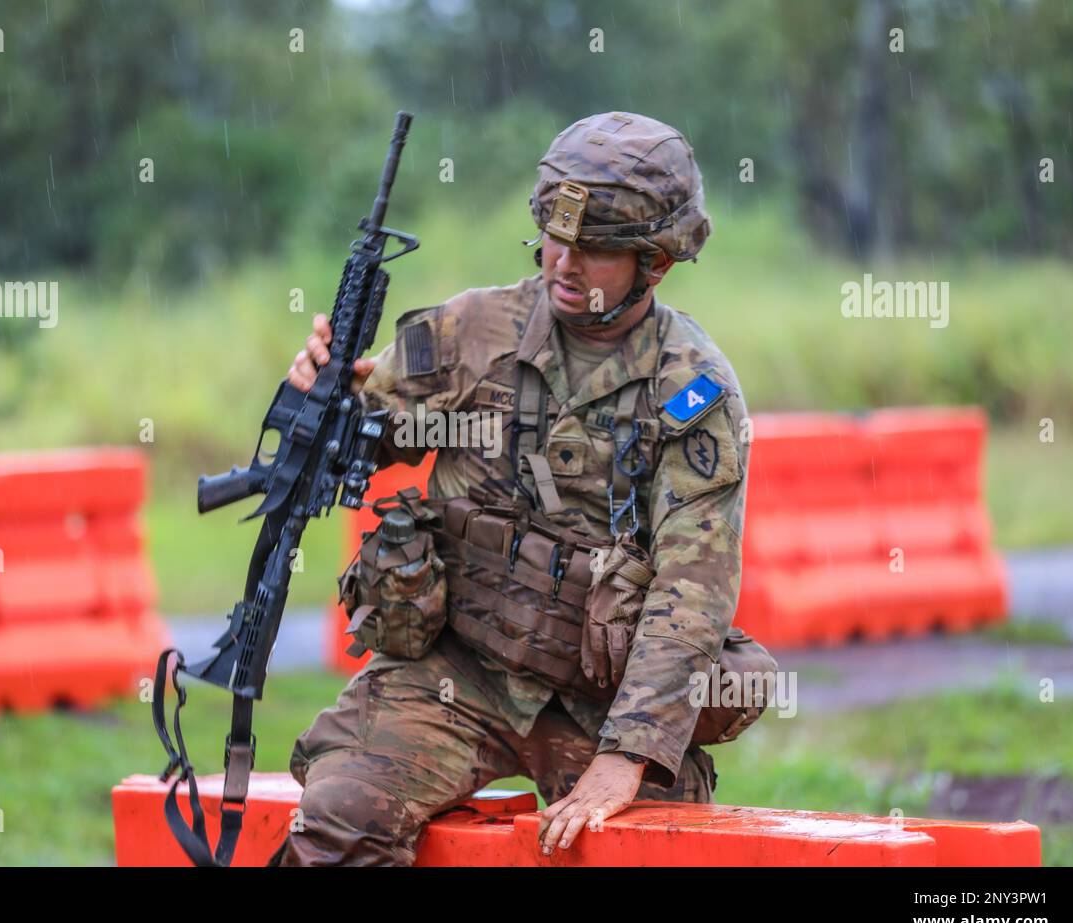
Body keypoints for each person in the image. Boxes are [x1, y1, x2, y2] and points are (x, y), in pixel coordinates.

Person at [272, 111, 767, 866]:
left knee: (637, 851)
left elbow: (691, 594)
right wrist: (321, 399)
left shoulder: (692, 392)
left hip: (600, 700)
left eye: (592, 248)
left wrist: (627, 756)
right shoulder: (469, 333)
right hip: (457, 671)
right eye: (553, 236)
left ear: (656, 262)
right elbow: (359, 440)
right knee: (340, 819)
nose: (562, 263)